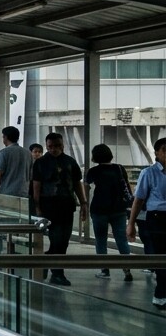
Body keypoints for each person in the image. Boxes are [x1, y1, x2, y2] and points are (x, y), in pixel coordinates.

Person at [32, 132, 88, 286]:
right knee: (57, 239)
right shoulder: (40, 163)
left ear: (62, 146)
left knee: (63, 240)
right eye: (50, 147)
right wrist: (38, 208)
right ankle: (57, 272)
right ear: (46, 146)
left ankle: (48, 262)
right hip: (48, 206)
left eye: (57, 146)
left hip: (66, 206)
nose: (53, 149)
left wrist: (83, 202)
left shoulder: (70, 162)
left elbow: (77, 183)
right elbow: (36, 186)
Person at [84, 144, 133, 281]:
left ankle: (105, 271)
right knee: (122, 240)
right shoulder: (119, 168)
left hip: (99, 209)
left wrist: (84, 205)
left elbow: (85, 188)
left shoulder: (93, 171)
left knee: (100, 240)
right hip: (118, 209)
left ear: (95, 156)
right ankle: (127, 270)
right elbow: (127, 187)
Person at [128, 138, 166, 308]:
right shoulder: (149, 173)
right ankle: (160, 293)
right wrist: (131, 224)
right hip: (157, 218)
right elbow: (139, 200)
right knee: (161, 257)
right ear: (157, 153)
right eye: (164, 150)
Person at [0, 126, 32, 199]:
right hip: (24, 193)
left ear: (5, 137)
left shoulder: (3, 153)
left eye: (3, 137)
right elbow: (30, 175)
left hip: (7, 194)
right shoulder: (27, 153)